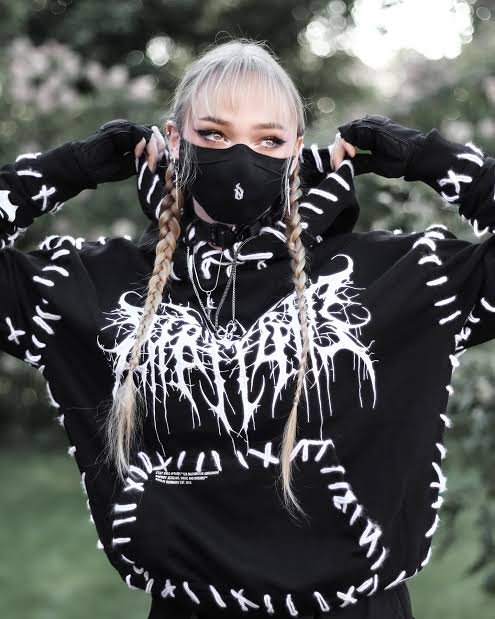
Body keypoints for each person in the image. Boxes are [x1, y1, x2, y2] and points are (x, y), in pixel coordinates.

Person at [2, 36, 494, 619]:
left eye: (268, 140)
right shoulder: (95, 287)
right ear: (174, 141)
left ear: (297, 152)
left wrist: (425, 157)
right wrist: (72, 167)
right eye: (214, 134)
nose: (240, 157)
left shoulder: (401, 278)